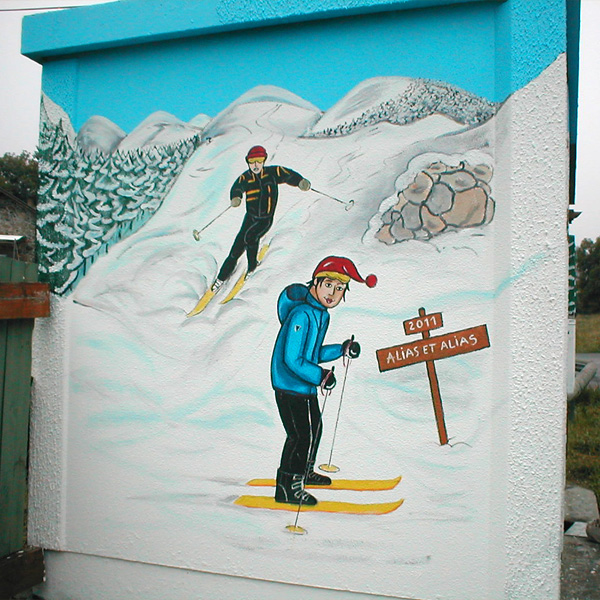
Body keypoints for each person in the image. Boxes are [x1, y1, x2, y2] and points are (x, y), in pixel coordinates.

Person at [270, 256, 377, 505]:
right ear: (315, 283)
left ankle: (305, 471)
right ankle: (287, 487)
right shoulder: (301, 315)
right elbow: (292, 359)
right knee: (299, 435)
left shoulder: (321, 315)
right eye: (328, 285)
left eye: (340, 289)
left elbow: (313, 353)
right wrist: (320, 376)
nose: (332, 293)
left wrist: (342, 348)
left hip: (305, 384)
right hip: (288, 384)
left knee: (314, 428)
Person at [211, 146, 311, 291]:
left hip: (265, 219)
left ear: (264, 160)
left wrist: (300, 182)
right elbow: (237, 187)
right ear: (248, 162)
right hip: (250, 218)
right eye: (252, 162)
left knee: (251, 237)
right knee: (237, 247)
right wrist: (236, 197)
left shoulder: (272, 173)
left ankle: (252, 267)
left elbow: (287, 174)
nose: (256, 165)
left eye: (259, 161)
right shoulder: (245, 178)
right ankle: (221, 278)